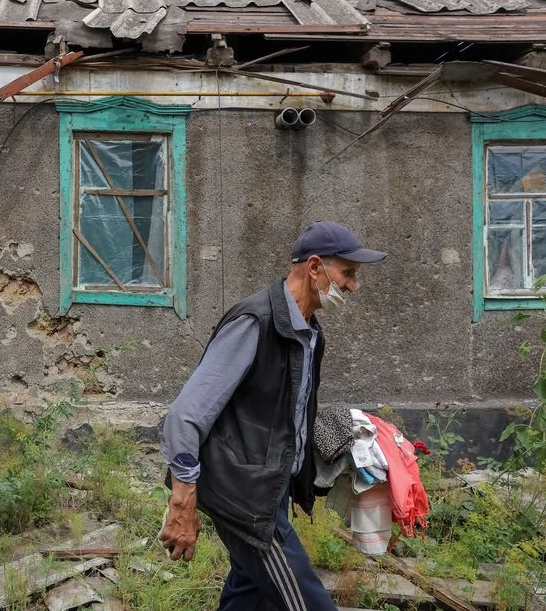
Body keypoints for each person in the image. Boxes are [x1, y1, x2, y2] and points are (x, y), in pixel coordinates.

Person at [158, 221, 386, 611]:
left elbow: (282, 410)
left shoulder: (310, 333)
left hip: (269, 490)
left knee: (248, 596)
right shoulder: (256, 322)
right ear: (314, 267)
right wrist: (182, 502)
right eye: (347, 273)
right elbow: (184, 415)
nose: (353, 286)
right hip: (245, 499)